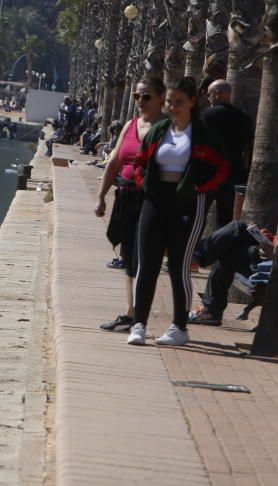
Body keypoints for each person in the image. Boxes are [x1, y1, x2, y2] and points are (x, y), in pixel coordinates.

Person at [127, 76, 230, 346]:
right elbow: (140, 162)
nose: (173, 107)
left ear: (192, 102)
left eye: (179, 102)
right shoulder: (159, 131)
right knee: (146, 264)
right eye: (170, 102)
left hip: (187, 205)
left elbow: (222, 168)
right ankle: (139, 324)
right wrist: (143, 184)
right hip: (155, 201)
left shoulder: (204, 134)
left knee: (178, 267)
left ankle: (179, 327)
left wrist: (202, 188)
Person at [94, 78, 167, 332]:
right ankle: (130, 311)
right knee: (127, 256)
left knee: (143, 256)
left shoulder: (168, 128)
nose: (141, 102)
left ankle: (139, 316)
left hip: (151, 200)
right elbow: (114, 161)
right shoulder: (130, 125)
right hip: (125, 196)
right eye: (137, 96)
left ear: (160, 98)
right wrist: (101, 196)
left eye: (146, 96)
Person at [187, 220, 273, 325]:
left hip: (269, 264)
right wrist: (269, 238)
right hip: (265, 255)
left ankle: (195, 257)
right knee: (237, 230)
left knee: (236, 230)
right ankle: (196, 257)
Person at [200, 80, 254, 227]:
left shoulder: (206, 115)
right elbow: (248, 148)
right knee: (225, 220)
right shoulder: (244, 117)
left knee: (199, 216)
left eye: (210, 94)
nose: (208, 98)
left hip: (209, 173)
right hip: (233, 173)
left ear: (219, 94)